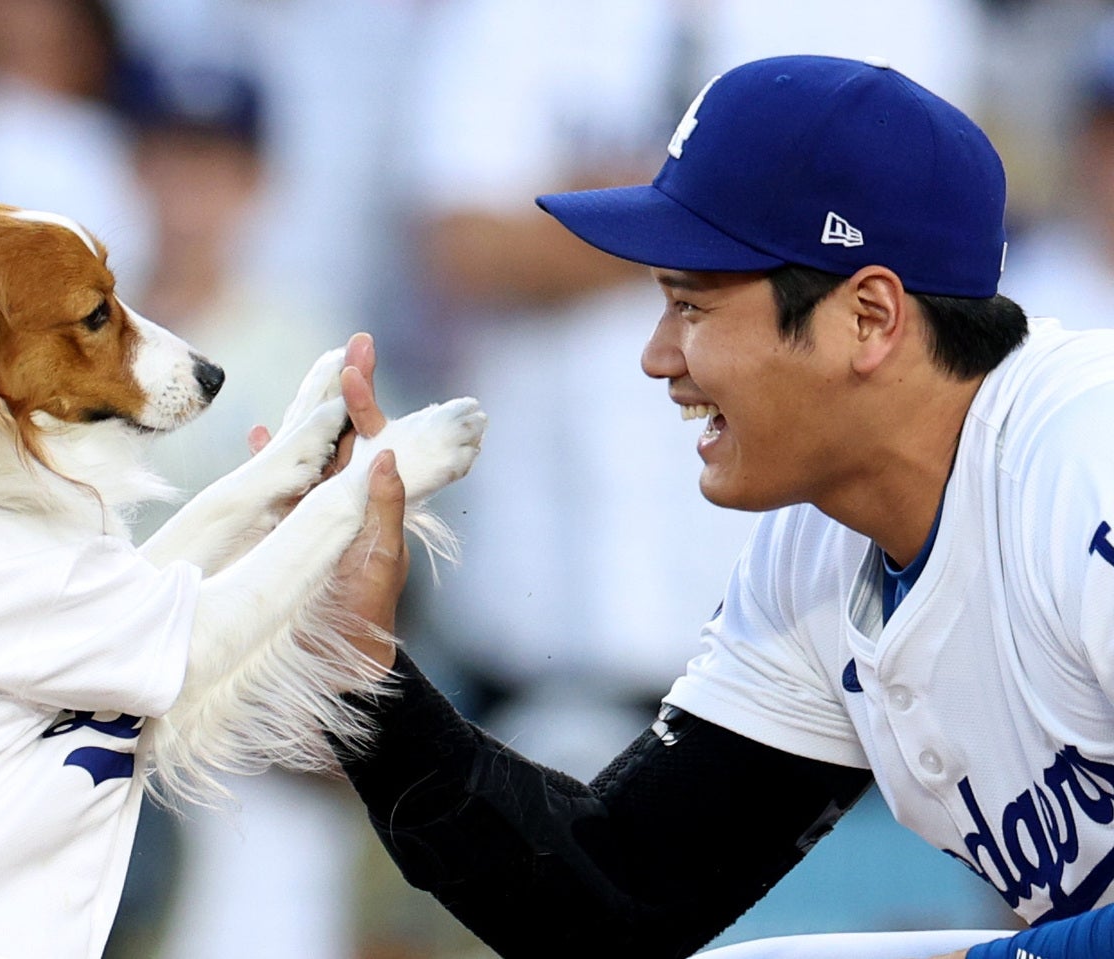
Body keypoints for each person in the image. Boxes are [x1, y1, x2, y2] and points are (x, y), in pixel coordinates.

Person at [319, 55, 1114, 959]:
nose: (660, 357)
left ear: (870, 317)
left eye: (690, 305)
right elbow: (614, 901)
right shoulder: (819, 550)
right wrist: (363, 674)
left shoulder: (1085, 456)